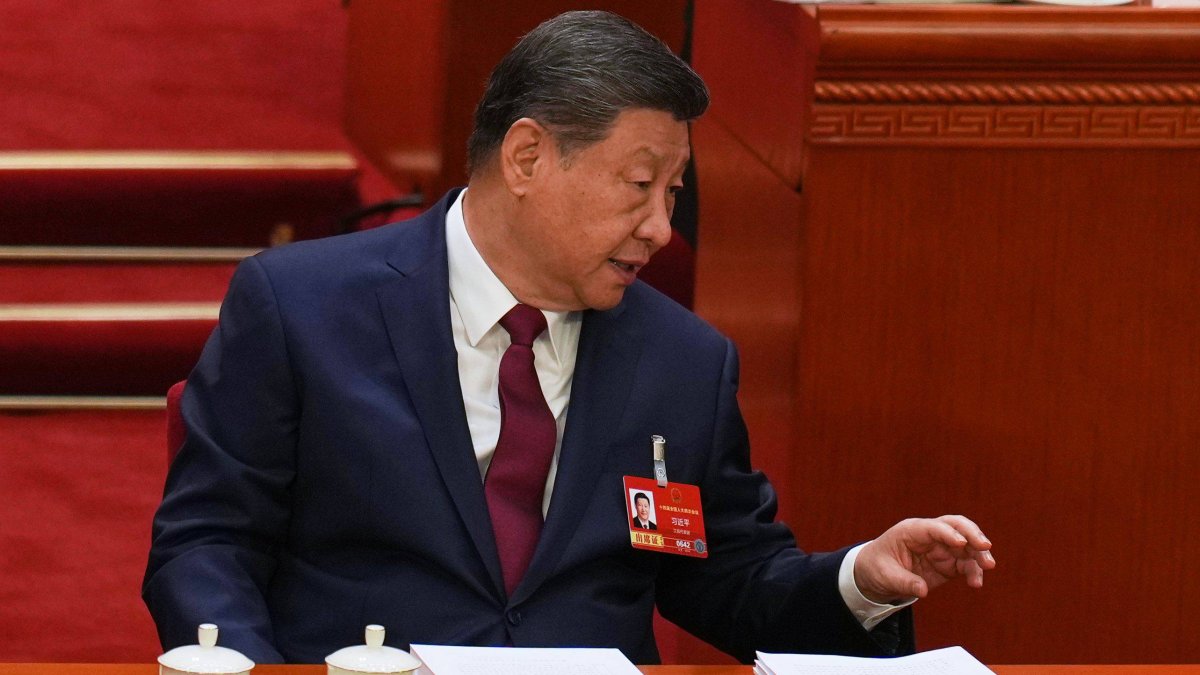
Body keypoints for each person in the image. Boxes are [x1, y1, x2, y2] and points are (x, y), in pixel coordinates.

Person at [143, 10, 994, 665]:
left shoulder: (684, 362)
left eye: (675, 191)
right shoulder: (301, 307)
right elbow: (208, 540)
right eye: (638, 185)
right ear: (526, 159)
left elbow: (726, 578)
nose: (662, 228)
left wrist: (859, 581)